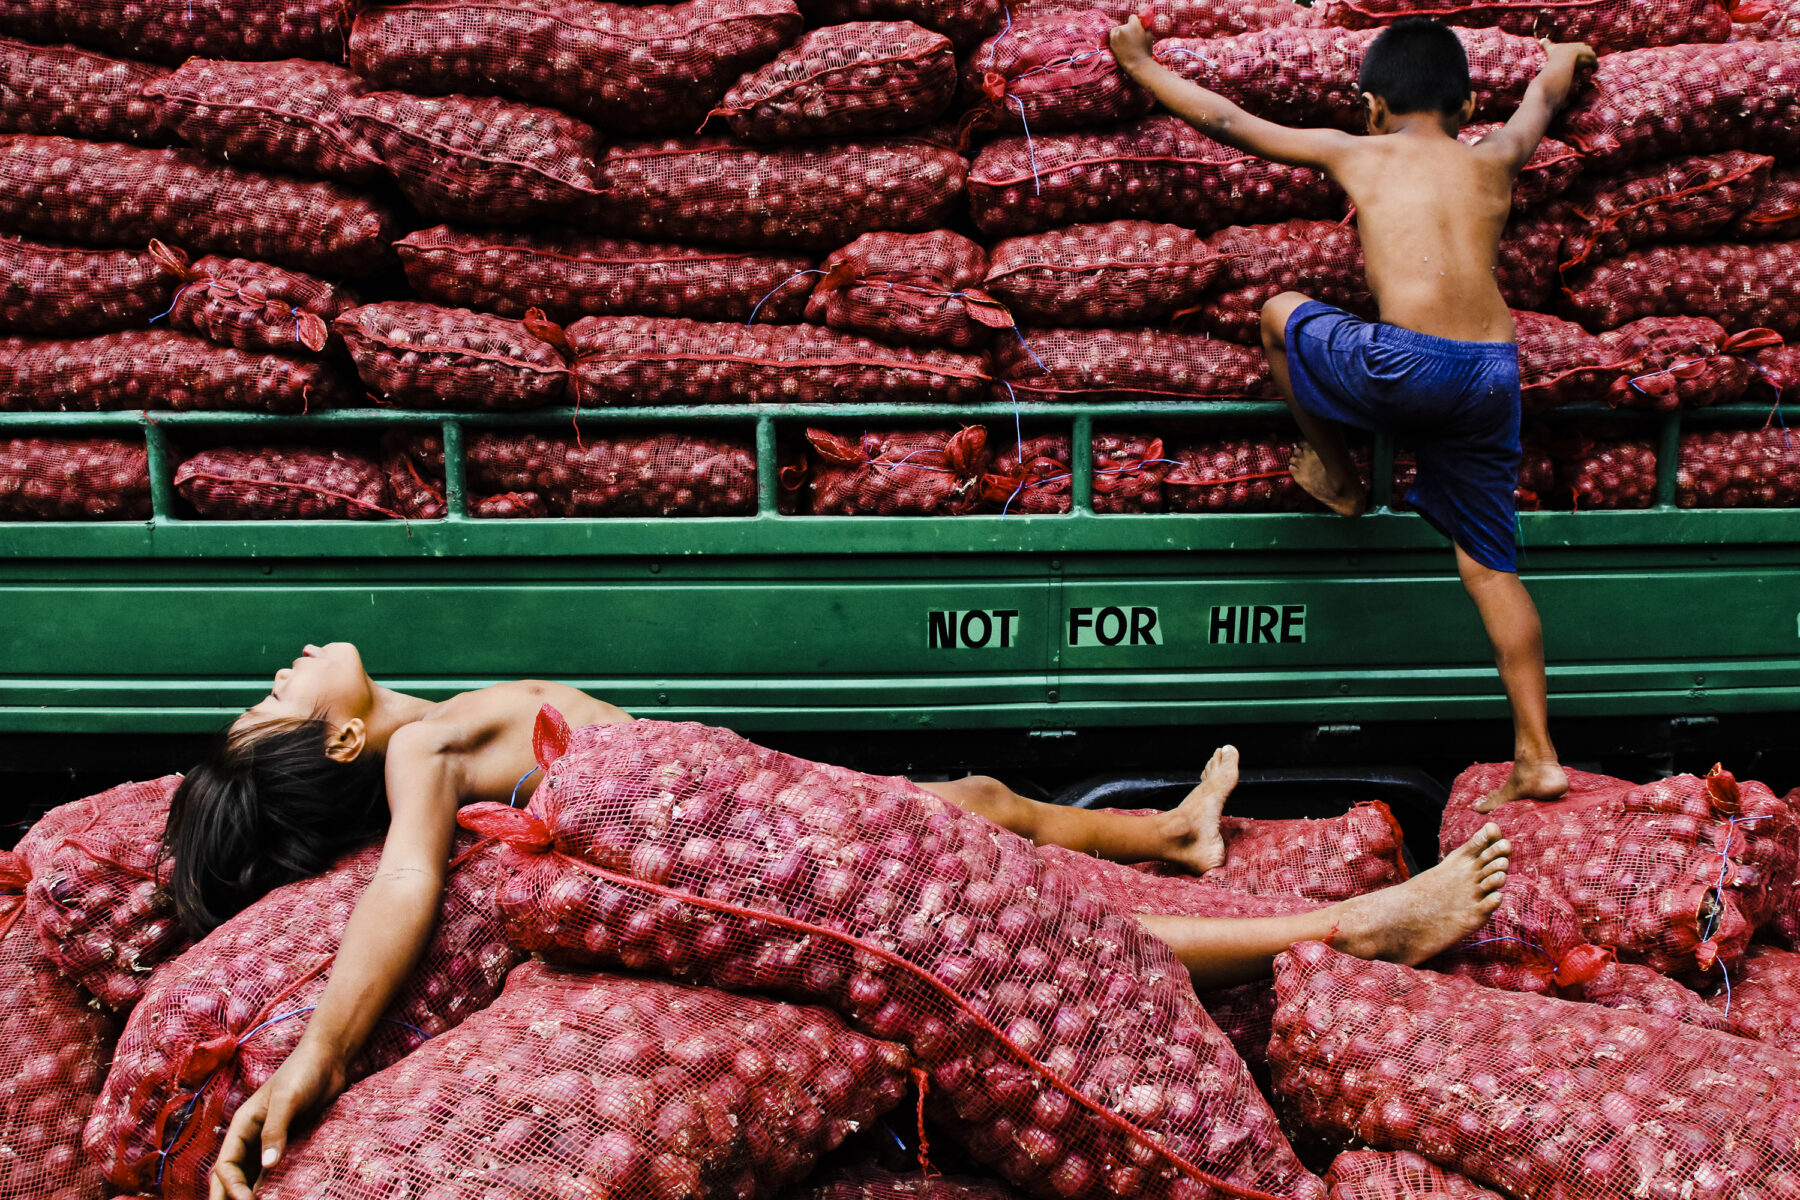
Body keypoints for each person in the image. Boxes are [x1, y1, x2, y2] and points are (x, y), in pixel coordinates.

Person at [192, 642, 1509, 1200]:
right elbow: (404, 891)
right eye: (279, 695)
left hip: (762, 808)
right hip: (760, 852)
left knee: (996, 831)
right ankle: (1344, 933)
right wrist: (313, 1054)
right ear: (343, 735)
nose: (287, 664)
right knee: (1023, 934)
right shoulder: (426, 759)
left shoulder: (427, 715)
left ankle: (1176, 838)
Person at [1109, 16, 1591, 811]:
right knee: (1490, 568)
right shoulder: (1499, 155)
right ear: (1468, 106)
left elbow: (1231, 123)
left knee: (1278, 313)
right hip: (1493, 372)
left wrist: (1139, 64)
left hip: (1408, 365)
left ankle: (1337, 476)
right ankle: (1537, 754)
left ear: (1372, 105)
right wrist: (1564, 57)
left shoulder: (1357, 150)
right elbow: (1543, 96)